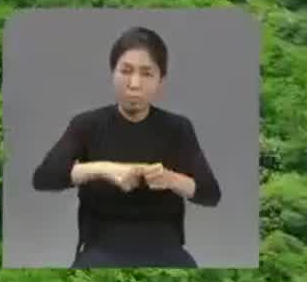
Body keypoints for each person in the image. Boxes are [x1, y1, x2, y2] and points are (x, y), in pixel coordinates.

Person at [31, 26, 222, 267]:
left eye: (146, 74)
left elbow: (210, 193)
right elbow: (44, 177)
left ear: (160, 81)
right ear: (113, 73)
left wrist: (170, 179)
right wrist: (103, 169)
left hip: (164, 245)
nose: (134, 84)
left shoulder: (178, 128)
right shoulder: (87, 125)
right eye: (126, 71)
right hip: (101, 245)